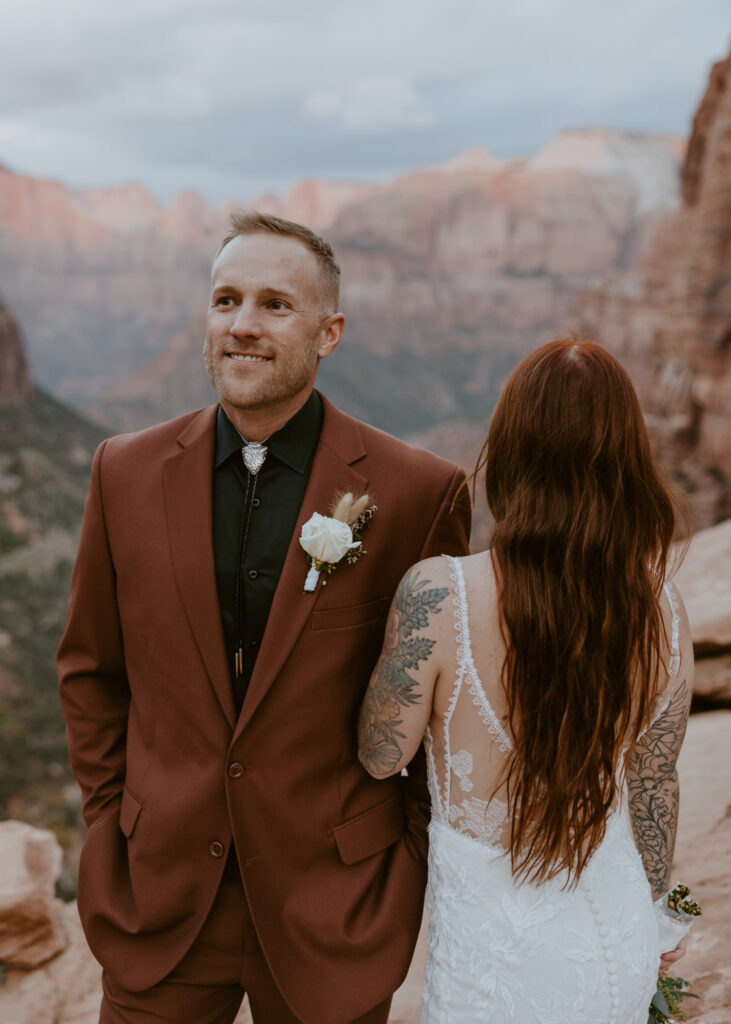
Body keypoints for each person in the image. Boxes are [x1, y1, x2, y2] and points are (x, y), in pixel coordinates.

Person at [58, 210, 471, 1024]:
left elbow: (440, 706)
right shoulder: (123, 472)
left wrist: (402, 860)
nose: (242, 326)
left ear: (329, 332)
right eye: (226, 301)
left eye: (275, 305)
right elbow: (90, 671)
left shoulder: (420, 491)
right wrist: (112, 820)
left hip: (334, 907)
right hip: (160, 898)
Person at [358, 338, 694, 1024]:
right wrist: (658, 917)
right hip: (615, 933)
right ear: (626, 460)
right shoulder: (662, 607)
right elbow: (654, 778)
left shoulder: (438, 594)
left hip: (493, 959)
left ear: (507, 451)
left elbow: (380, 754)